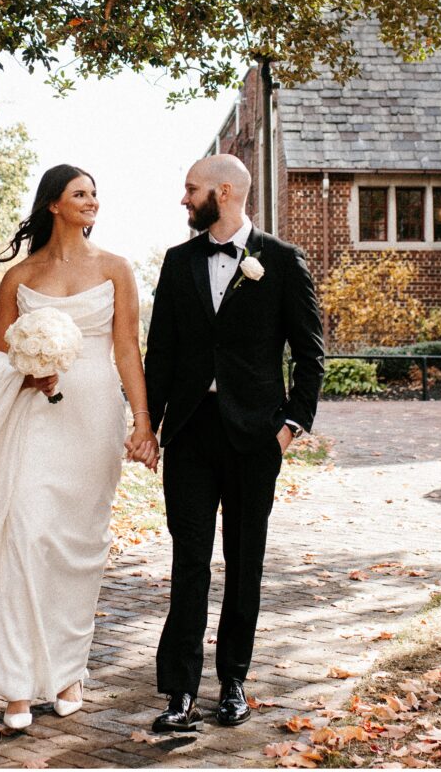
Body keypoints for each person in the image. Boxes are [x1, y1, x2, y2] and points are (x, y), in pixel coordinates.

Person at [0, 164, 159, 729]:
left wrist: (142, 423)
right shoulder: (19, 276)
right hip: (34, 417)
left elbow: (127, 350)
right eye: (81, 194)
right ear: (54, 204)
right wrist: (23, 374)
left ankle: (69, 670)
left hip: (94, 417)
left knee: (77, 547)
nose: (92, 201)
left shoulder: (118, 269)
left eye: (96, 193)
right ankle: (18, 683)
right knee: (25, 534)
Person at [145, 154, 324, 731]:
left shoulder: (283, 260)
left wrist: (292, 426)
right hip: (191, 435)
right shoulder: (177, 263)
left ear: (224, 192)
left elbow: (310, 353)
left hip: (255, 438)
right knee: (189, 560)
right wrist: (147, 424)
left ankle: (234, 683)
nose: (184, 199)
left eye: (191, 189)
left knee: (245, 561)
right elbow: (162, 354)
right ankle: (179, 692)